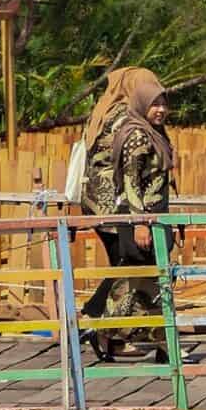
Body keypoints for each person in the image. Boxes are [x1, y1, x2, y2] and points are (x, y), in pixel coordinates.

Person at [78, 68, 175, 363]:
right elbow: (132, 173)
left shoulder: (103, 109)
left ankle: (113, 334)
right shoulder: (126, 118)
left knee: (128, 270)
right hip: (121, 208)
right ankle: (102, 323)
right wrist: (138, 219)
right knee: (131, 270)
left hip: (103, 204)